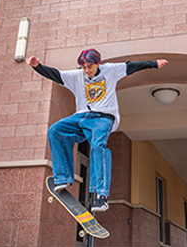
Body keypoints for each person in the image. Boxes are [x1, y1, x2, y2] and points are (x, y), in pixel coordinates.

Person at [26, 49, 168, 212]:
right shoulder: (77, 76)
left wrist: (154, 64)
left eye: (90, 67)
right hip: (81, 117)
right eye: (84, 67)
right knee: (56, 130)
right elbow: (56, 75)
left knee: (98, 146)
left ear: (98, 64)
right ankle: (63, 177)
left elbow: (131, 66)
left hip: (103, 118)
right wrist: (38, 67)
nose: (87, 71)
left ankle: (101, 197)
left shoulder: (111, 70)